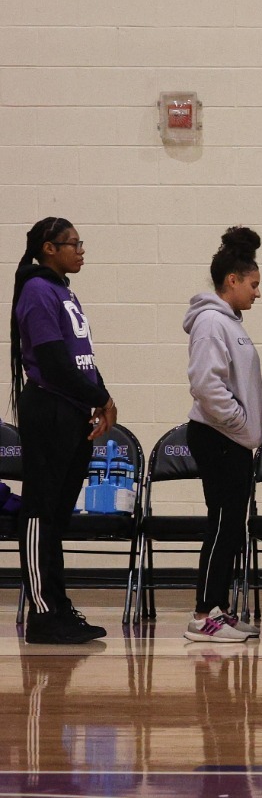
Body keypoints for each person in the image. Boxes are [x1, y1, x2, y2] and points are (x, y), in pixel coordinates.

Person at [9, 217, 112, 644]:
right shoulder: (36, 290)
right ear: (49, 248)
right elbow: (53, 361)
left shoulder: (62, 291)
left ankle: (59, 605)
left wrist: (103, 397)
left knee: (59, 514)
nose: (81, 250)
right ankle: (43, 612)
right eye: (74, 244)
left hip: (71, 411)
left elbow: (80, 356)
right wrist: (96, 398)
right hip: (49, 409)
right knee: (41, 511)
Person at [182, 227, 262, 643]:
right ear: (231, 280)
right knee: (221, 524)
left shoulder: (227, 321)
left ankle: (218, 607)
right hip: (217, 438)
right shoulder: (211, 322)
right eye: (252, 285)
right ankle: (203, 615)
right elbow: (206, 385)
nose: (257, 293)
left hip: (229, 440)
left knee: (232, 526)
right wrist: (238, 424)